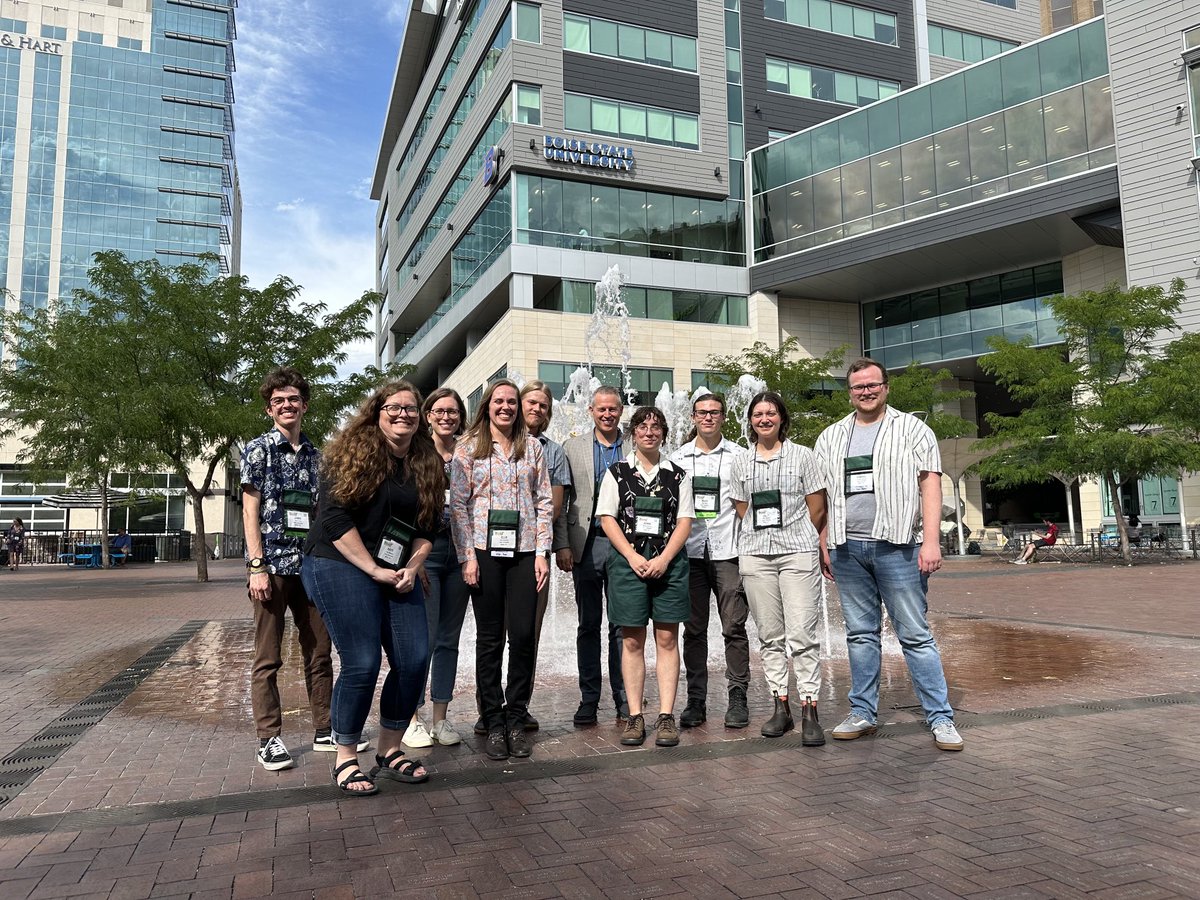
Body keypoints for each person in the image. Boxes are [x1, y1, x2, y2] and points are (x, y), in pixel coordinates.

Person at [814, 358, 963, 752]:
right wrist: (824, 538)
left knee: (915, 635)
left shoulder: (913, 429)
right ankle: (862, 711)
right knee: (860, 636)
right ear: (850, 392)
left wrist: (931, 541)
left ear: (886, 387)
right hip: (847, 549)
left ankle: (941, 717)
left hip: (898, 547)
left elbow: (930, 484)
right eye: (858, 386)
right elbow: (826, 495)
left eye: (872, 384)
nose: (866, 391)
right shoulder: (831, 436)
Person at [301, 380, 441, 794]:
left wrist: (413, 567)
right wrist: (373, 569)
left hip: (397, 568)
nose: (403, 414)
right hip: (337, 561)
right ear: (376, 413)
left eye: (411, 409)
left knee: (415, 658)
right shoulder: (350, 454)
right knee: (362, 661)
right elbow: (334, 519)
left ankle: (389, 748)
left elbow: (428, 525)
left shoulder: (426, 458)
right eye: (393, 408)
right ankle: (345, 756)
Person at [240, 367, 339, 772]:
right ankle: (269, 739)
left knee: (320, 650)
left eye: (294, 399)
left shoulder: (318, 456)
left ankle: (325, 729)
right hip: (272, 567)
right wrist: (256, 565)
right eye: (279, 400)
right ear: (269, 409)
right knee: (268, 657)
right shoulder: (259, 449)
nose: (287, 405)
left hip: (311, 566)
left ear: (304, 405)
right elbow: (250, 509)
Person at [451, 379, 552, 761]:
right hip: (484, 552)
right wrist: (468, 557)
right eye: (499, 401)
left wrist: (542, 552)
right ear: (487, 406)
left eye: (512, 401)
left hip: (526, 552)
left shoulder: (534, 448)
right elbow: (458, 506)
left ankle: (515, 716)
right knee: (490, 639)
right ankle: (493, 720)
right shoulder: (468, 448)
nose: (506, 407)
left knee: (524, 636)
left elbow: (544, 502)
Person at [730, 391, 828, 745]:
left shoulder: (803, 456)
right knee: (770, 635)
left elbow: (817, 507)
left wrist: (792, 532)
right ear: (751, 421)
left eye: (771, 413)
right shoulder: (741, 462)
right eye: (758, 414)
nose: (765, 419)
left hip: (797, 553)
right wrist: (764, 532)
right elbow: (742, 507)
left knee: (802, 633)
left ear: (782, 418)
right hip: (755, 554)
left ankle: (809, 708)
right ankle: (780, 706)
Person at [597, 406, 694, 748]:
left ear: (664, 433)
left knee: (667, 639)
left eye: (656, 427)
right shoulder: (616, 472)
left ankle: (666, 716)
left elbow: (685, 521)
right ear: (633, 433)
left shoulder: (679, 475)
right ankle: (635, 716)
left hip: (669, 565)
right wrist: (632, 555)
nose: (649, 432)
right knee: (632, 640)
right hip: (629, 565)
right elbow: (607, 518)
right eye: (642, 426)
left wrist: (665, 559)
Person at [669, 393, 751, 729]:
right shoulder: (677, 458)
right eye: (702, 412)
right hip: (690, 554)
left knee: (734, 626)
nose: (708, 418)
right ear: (692, 417)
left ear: (723, 417)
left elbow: (747, 503)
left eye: (714, 412)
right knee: (694, 630)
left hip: (727, 551)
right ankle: (696, 700)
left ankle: (737, 695)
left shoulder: (740, 456)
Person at [401, 388, 470, 748]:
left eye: (453, 412)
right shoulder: (416, 453)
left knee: (448, 640)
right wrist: (414, 559)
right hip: (424, 550)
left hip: (459, 552)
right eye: (440, 411)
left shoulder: (468, 454)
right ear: (428, 415)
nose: (447, 417)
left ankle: (441, 719)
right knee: (422, 639)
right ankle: (412, 717)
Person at [562, 386, 629, 725]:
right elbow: (561, 503)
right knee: (588, 624)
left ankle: (624, 697)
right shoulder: (572, 447)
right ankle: (589, 698)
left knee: (622, 625)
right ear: (591, 410)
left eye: (613, 409)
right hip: (586, 545)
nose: (607, 414)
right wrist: (562, 545)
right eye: (601, 409)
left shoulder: (634, 444)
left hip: (625, 546)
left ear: (621, 410)